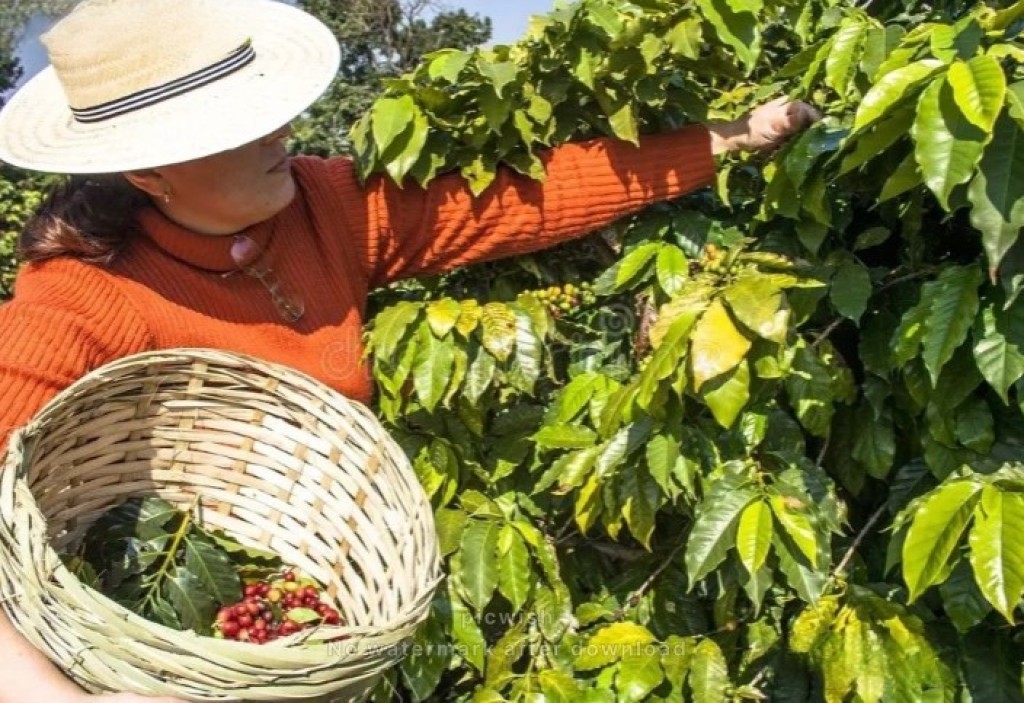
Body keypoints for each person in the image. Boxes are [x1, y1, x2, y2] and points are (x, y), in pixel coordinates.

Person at [0, 0, 819, 700]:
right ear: (148, 173)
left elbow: (509, 205)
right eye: (239, 125)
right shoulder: (78, 297)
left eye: (265, 104)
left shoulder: (321, 203)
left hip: (314, 628)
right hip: (157, 652)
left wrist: (723, 141)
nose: (280, 130)